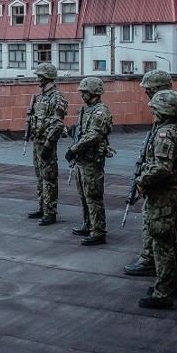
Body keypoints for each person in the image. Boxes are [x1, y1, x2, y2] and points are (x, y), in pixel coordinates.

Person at [124, 70, 177, 277]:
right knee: (170, 218)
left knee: (155, 218)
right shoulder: (173, 112)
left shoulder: (171, 115)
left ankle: (151, 259)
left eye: (149, 88)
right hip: (172, 175)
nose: (145, 91)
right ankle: (173, 258)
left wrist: (146, 178)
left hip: (167, 179)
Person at [136, 89, 177, 309]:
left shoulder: (165, 134)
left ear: (165, 111)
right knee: (171, 241)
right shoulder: (174, 129)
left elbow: (161, 168)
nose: (153, 112)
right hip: (170, 193)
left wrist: (142, 181)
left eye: (156, 109)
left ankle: (163, 293)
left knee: (162, 243)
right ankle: (169, 285)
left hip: (163, 195)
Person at [65, 76, 113, 245]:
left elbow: (93, 136)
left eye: (85, 92)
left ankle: (98, 231)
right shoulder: (87, 110)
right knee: (83, 195)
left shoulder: (100, 111)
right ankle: (88, 224)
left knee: (93, 196)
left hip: (92, 161)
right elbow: (83, 132)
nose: (82, 95)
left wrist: (73, 149)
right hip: (82, 160)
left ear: (94, 92)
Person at [27, 63, 68, 226]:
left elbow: (57, 124)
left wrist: (48, 145)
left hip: (46, 144)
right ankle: (42, 207)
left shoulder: (56, 97)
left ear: (48, 77)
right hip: (37, 141)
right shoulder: (41, 96)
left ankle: (50, 212)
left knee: (49, 178)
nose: (38, 79)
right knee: (40, 177)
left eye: (40, 76)